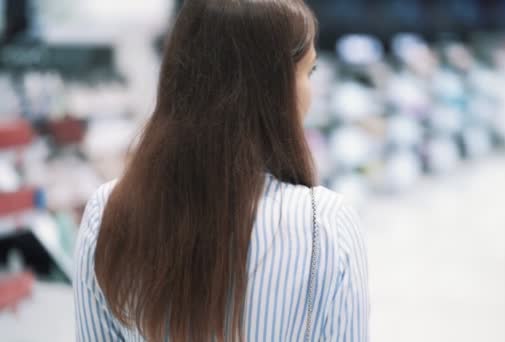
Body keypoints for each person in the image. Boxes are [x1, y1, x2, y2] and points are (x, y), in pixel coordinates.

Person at [73, 0, 369, 341]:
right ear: (272, 87)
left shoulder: (107, 211)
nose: (311, 92)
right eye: (308, 72)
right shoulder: (326, 222)